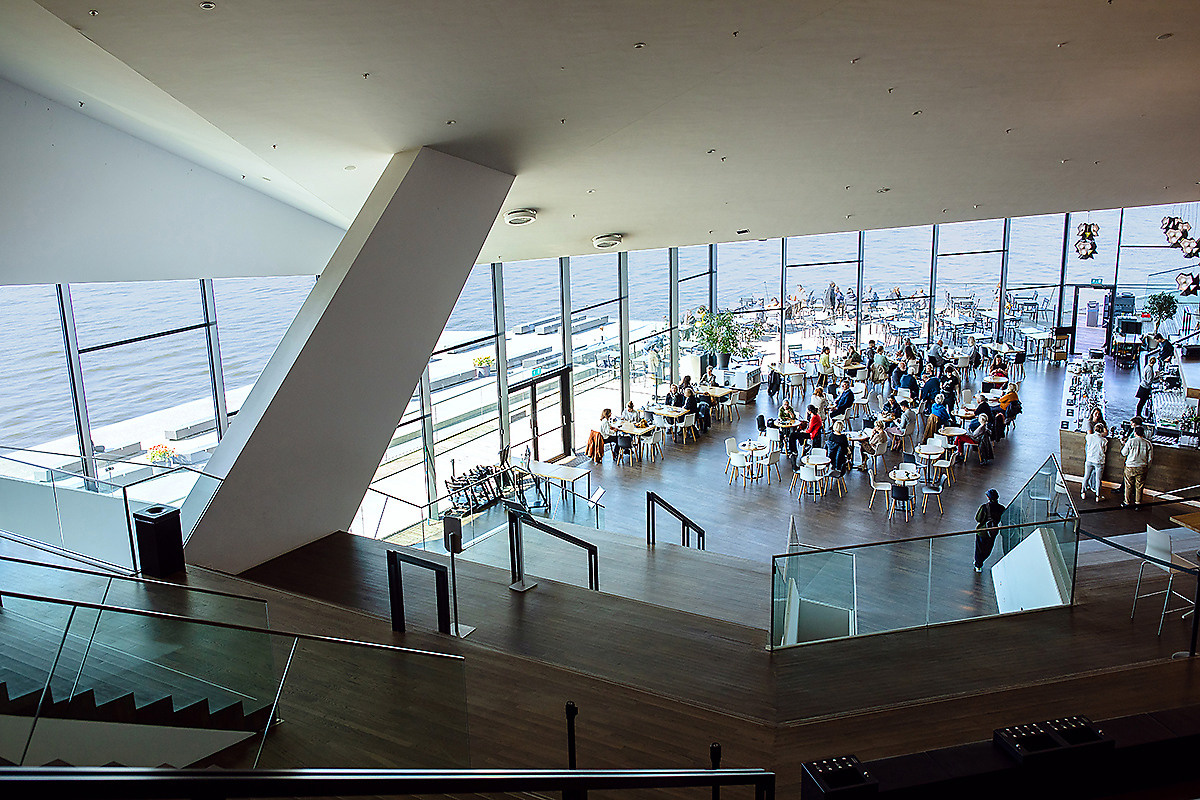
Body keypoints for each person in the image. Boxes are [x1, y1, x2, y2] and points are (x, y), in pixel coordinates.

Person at [974, 488, 1006, 572]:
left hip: (981, 532)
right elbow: (1005, 519)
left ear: (988, 497)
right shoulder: (1001, 508)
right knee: (988, 549)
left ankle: (978, 564)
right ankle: (980, 561)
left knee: (979, 548)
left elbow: (978, 519)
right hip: (992, 532)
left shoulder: (984, 507)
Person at [1122, 425, 1153, 508]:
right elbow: (1150, 458)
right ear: (1143, 433)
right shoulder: (1148, 443)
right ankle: (1138, 503)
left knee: (1128, 485)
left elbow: (1123, 453)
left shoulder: (1131, 441)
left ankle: (1127, 503)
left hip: (1130, 466)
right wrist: (1147, 467)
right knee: (1139, 486)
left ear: (1135, 433)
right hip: (1142, 467)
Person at [1083, 422, 1108, 501]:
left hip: (1089, 459)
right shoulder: (1104, 440)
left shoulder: (1089, 437)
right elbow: (1105, 450)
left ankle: (1083, 492)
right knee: (1098, 479)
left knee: (1086, 476)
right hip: (1099, 461)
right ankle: (1098, 496)